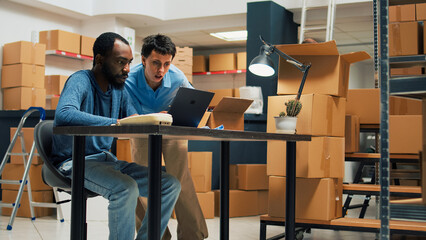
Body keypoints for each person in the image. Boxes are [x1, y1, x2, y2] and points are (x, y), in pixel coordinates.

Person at [51, 32, 181, 240]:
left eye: (129, 62)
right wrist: (113, 122)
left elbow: (133, 118)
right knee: (126, 188)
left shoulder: (118, 89)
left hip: (106, 161)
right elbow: (65, 113)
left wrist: (154, 119)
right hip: (74, 162)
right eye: (121, 62)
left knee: (169, 184)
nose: (127, 69)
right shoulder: (80, 80)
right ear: (100, 60)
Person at [125, 34, 209, 240]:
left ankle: (193, 235)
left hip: (172, 129)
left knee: (179, 178)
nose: (161, 70)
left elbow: (194, 104)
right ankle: (156, 235)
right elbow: (130, 116)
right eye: (155, 63)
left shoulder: (178, 78)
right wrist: (152, 117)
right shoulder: (128, 81)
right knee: (143, 181)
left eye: (166, 64)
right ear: (143, 60)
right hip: (142, 130)